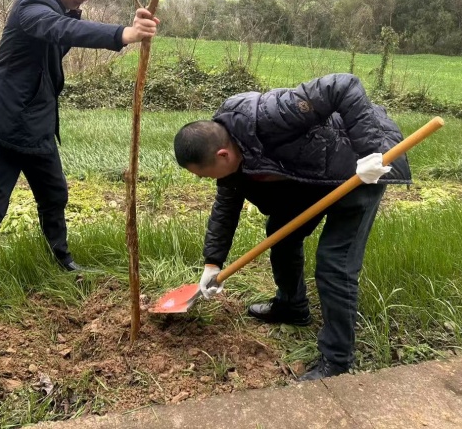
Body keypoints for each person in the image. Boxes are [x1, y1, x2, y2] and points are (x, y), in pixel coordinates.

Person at [173, 73, 411, 380]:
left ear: (223, 154)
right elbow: (226, 207)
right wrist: (212, 263)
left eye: (204, 174)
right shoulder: (230, 153)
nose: (204, 180)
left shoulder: (270, 114)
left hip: (363, 165)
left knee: (334, 262)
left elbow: (342, 85)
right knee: (281, 234)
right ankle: (292, 307)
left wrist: (369, 153)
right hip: (313, 174)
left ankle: (337, 361)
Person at [0, 0, 158, 289]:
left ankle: (61, 260)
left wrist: (131, 23)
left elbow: (64, 30)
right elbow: (60, 29)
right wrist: (123, 34)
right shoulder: (32, 4)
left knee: (54, 195)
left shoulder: (61, 7)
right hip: (4, 124)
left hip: (38, 124)